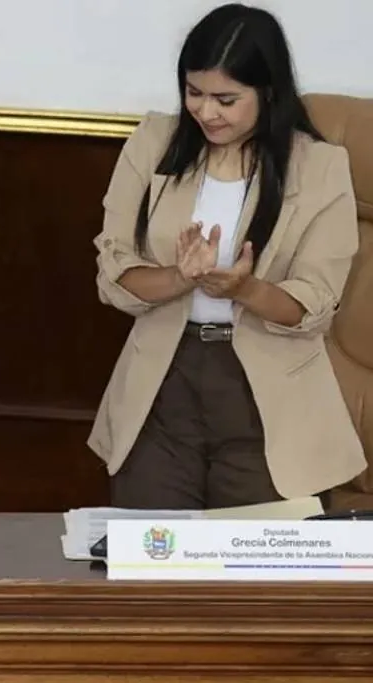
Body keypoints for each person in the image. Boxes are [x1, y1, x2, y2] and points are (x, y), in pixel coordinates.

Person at [89, 2, 366, 509]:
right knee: (152, 549)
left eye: (226, 99)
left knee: (254, 555)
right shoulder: (153, 142)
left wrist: (244, 289)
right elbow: (114, 273)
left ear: (268, 92)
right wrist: (180, 277)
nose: (205, 112)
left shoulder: (320, 167)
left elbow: (314, 304)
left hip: (267, 394)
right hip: (164, 381)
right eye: (194, 92)